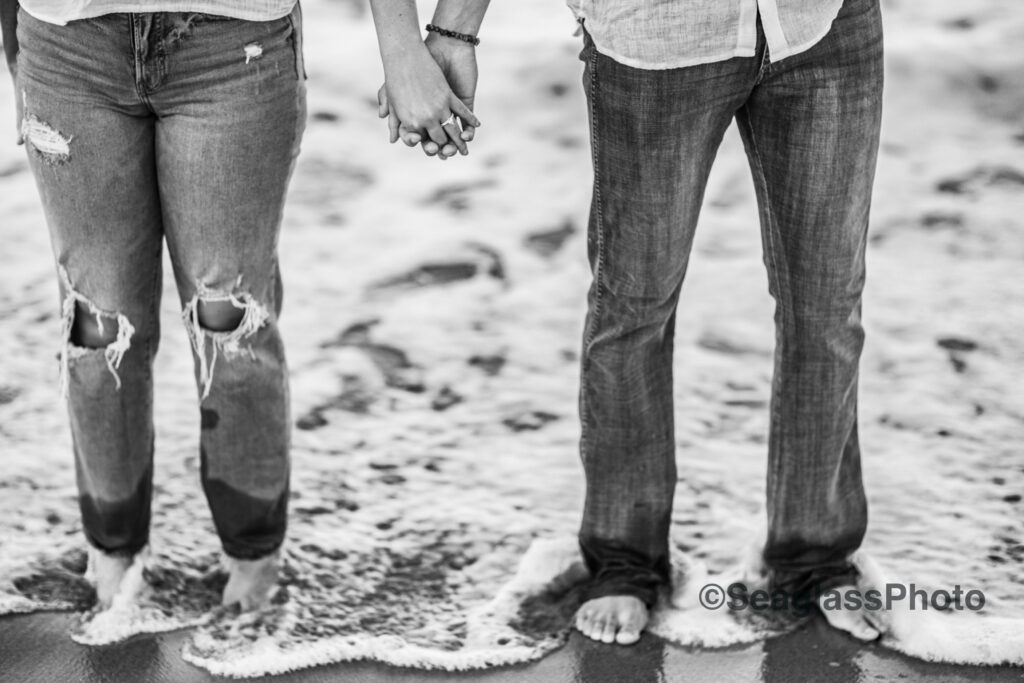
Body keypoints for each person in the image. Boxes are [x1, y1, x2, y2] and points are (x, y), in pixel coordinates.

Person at [568, 0, 885, 645]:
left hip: (824, 24)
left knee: (826, 303)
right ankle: (625, 561)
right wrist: (454, 30)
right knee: (633, 308)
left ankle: (814, 555)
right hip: (658, 36)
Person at [2, 0, 308, 610]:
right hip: (68, 47)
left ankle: (253, 556)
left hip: (233, 43)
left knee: (230, 324)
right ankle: (111, 550)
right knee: (98, 327)